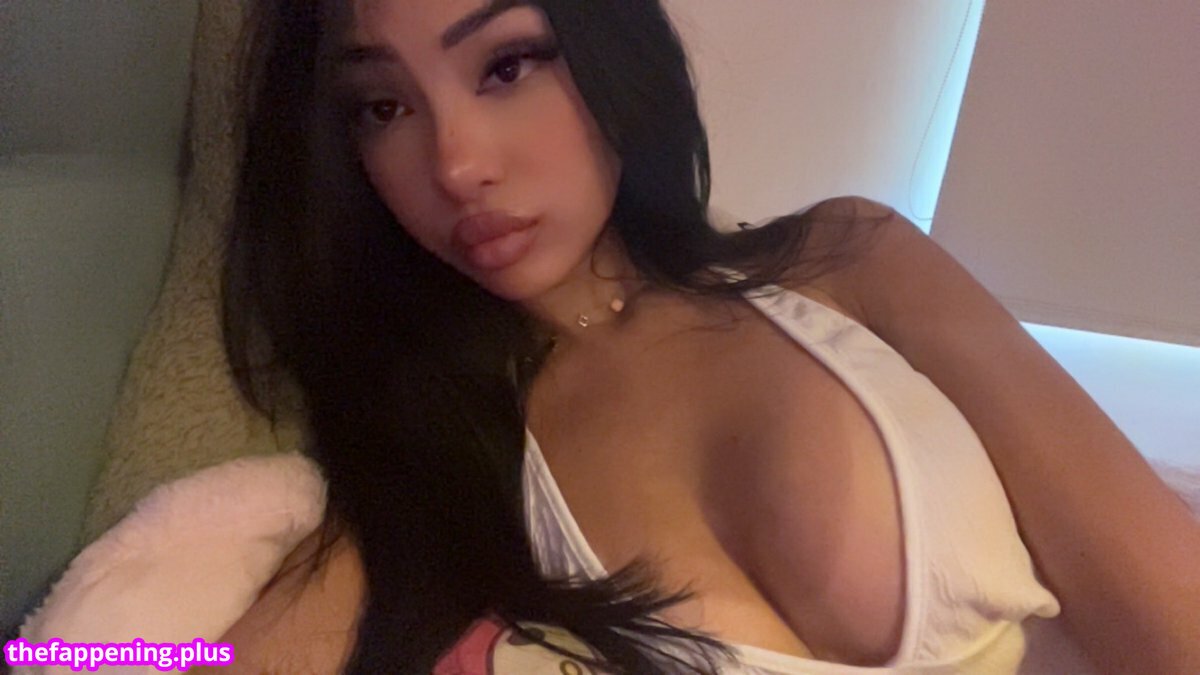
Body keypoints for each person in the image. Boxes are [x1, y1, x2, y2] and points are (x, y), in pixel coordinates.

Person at [32, 1, 1198, 673]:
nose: (456, 164)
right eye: (383, 107)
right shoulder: (440, 464)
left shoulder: (850, 265)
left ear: (605, 47)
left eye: (507, 64)